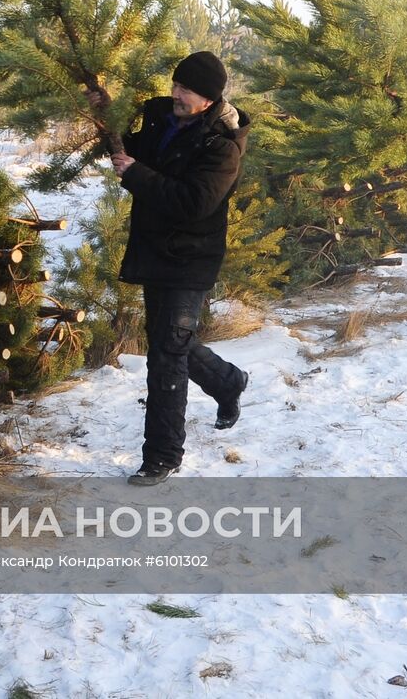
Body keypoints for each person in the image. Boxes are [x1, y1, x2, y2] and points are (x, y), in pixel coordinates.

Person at [108, 50, 251, 486]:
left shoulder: (221, 145)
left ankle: (162, 457)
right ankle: (227, 383)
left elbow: (194, 204)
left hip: (191, 255)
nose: (176, 94)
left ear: (208, 99)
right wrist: (107, 119)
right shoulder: (161, 119)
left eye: (186, 89)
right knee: (172, 339)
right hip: (156, 249)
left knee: (167, 353)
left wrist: (135, 174)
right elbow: (129, 150)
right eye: (175, 84)